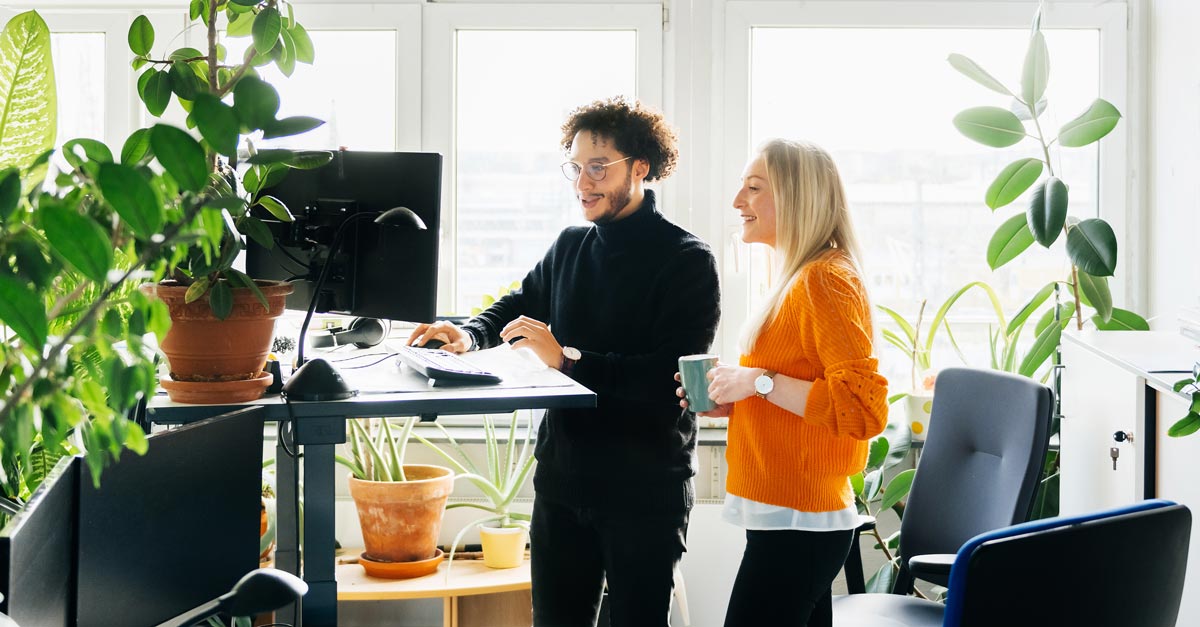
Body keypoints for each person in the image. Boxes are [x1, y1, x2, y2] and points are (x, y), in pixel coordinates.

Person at [409, 96, 720, 627]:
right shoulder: (571, 245)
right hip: (563, 483)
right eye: (576, 167)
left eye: (599, 167)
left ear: (640, 167)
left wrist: (569, 361)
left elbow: (665, 379)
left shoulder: (687, 260)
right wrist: (465, 333)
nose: (583, 182)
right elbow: (516, 307)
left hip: (643, 491)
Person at [676, 139, 888, 627]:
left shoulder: (824, 281)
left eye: (754, 188)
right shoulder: (796, 278)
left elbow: (861, 411)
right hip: (787, 514)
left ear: (797, 197)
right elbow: (805, 392)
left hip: (803, 521)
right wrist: (738, 400)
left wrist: (759, 383)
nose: (737, 202)